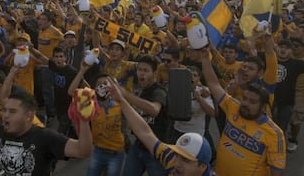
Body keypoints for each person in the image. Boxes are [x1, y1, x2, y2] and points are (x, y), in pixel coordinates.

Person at [200, 47, 286, 176]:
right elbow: (214, 84)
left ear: (263, 107)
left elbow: (276, 172)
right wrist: (206, 59)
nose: (245, 103)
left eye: (252, 102)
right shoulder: (234, 106)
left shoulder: (275, 134)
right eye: (244, 98)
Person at [106, 77, 216, 176]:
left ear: (203, 166)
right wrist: (121, 101)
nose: (176, 164)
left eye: (185, 160)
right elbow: (145, 133)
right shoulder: (170, 159)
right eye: (176, 155)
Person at [68, 64, 125, 176]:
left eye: (105, 84)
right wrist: (82, 71)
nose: (102, 87)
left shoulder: (120, 103)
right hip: (98, 151)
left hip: (116, 153)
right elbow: (71, 92)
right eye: (99, 85)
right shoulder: (92, 102)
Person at [120, 55, 169, 176]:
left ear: (154, 73)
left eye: (146, 70)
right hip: (139, 145)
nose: (141, 74)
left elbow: (154, 109)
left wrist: (126, 95)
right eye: (139, 70)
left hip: (156, 149)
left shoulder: (159, 91)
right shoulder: (140, 90)